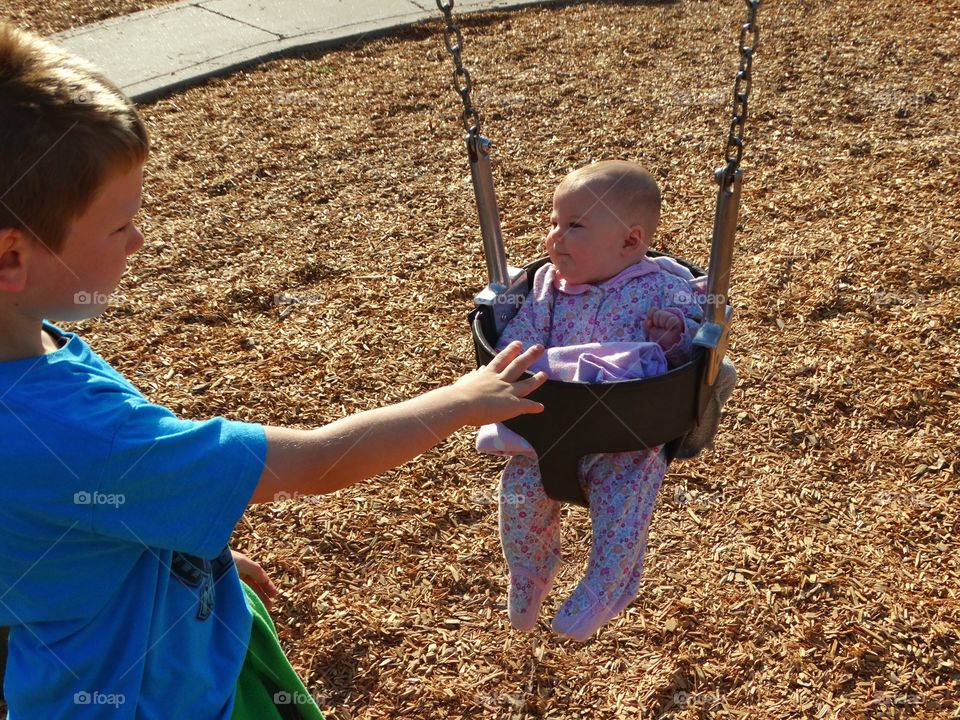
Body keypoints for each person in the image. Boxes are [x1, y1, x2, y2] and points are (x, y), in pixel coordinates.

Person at [0, 23, 547, 719]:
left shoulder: (34, 352)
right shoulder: (82, 435)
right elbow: (319, 461)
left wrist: (191, 571)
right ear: (11, 258)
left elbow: (56, 529)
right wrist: (462, 398)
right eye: (119, 226)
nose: (139, 239)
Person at [477, 160, 703, 642]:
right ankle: (530, 573)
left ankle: (608, 586)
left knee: (622, 512)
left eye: (573, 226)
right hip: (550, 427)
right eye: (554, 223)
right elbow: (523, 337)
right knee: (518, 504)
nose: (554, 238)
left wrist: (673, 335)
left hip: (626, 434)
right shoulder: (546, 285)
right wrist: (521, 357)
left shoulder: (663, 285)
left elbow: (692, 346)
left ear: (630, 241)